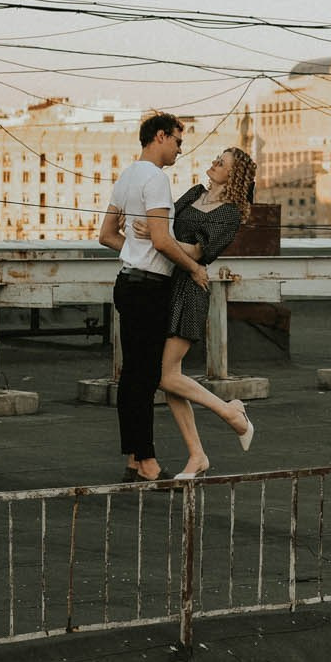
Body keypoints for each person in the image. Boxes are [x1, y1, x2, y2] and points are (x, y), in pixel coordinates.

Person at [133, 146, 257, 478]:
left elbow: (202, 250)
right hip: (166, 283)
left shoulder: (230, 212)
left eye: (221, 163)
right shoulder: (196, 193)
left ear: (233, 175)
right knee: (169, 379)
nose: (214, 164)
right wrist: (156, 231)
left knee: (166, 375)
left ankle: (230, 413)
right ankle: (197, 455)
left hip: (189, 289)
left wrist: (155, 234)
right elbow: (167, 222)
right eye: (217, 160)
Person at [98, 112, 199, 482]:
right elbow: (161, 240)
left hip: (128, 282)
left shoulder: (127, 175)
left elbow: (107, 234)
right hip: (148, 289)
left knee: (132, 376)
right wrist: (193, 267)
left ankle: (134, 461)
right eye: (177, 141)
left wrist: (136, 253)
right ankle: (149, 464)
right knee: (145, 376)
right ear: (159, 136)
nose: (179, 149)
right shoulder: (156, 179)